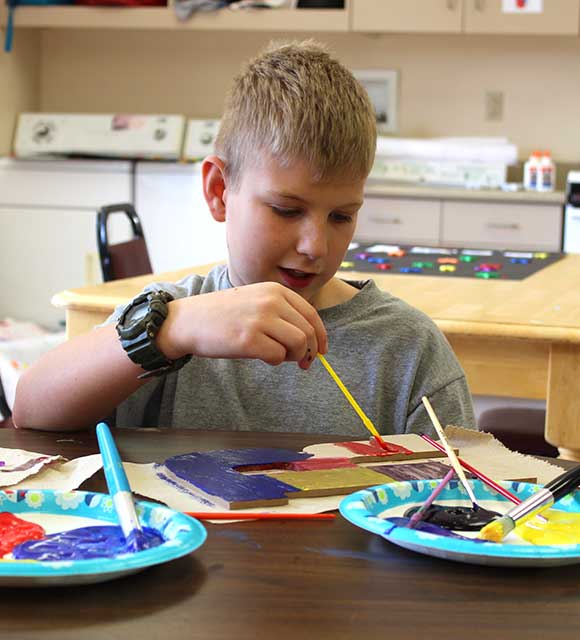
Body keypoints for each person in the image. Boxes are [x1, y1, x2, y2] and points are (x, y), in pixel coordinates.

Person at [13, 40, 475, 436]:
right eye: (286, 210)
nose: (316, 245)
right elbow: (30, 411)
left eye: (341, 216)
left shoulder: (407, 347)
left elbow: (461, 501)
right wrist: (173, 331)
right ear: (219, 191)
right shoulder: (172, 318)